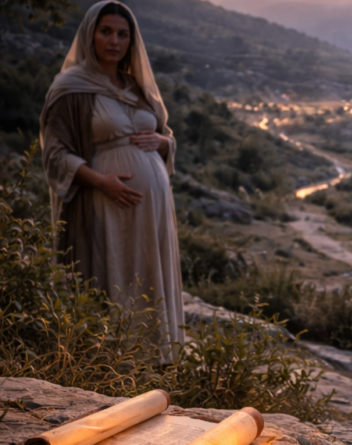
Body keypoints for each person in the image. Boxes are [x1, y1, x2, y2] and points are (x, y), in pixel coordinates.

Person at [40, 1, 184, 362]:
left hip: (151, 213)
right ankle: (114, 362)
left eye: (122, 34)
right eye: (106, 31)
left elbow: (164, 133)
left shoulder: (137, 86)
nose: (114, 41)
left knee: (149, 276)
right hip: (106, 204)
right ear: (90, 33)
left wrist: (164, 142)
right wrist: (102, 181)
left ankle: (156, 359)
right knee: (115, 274)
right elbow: (55, 154)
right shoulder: (70, 88)